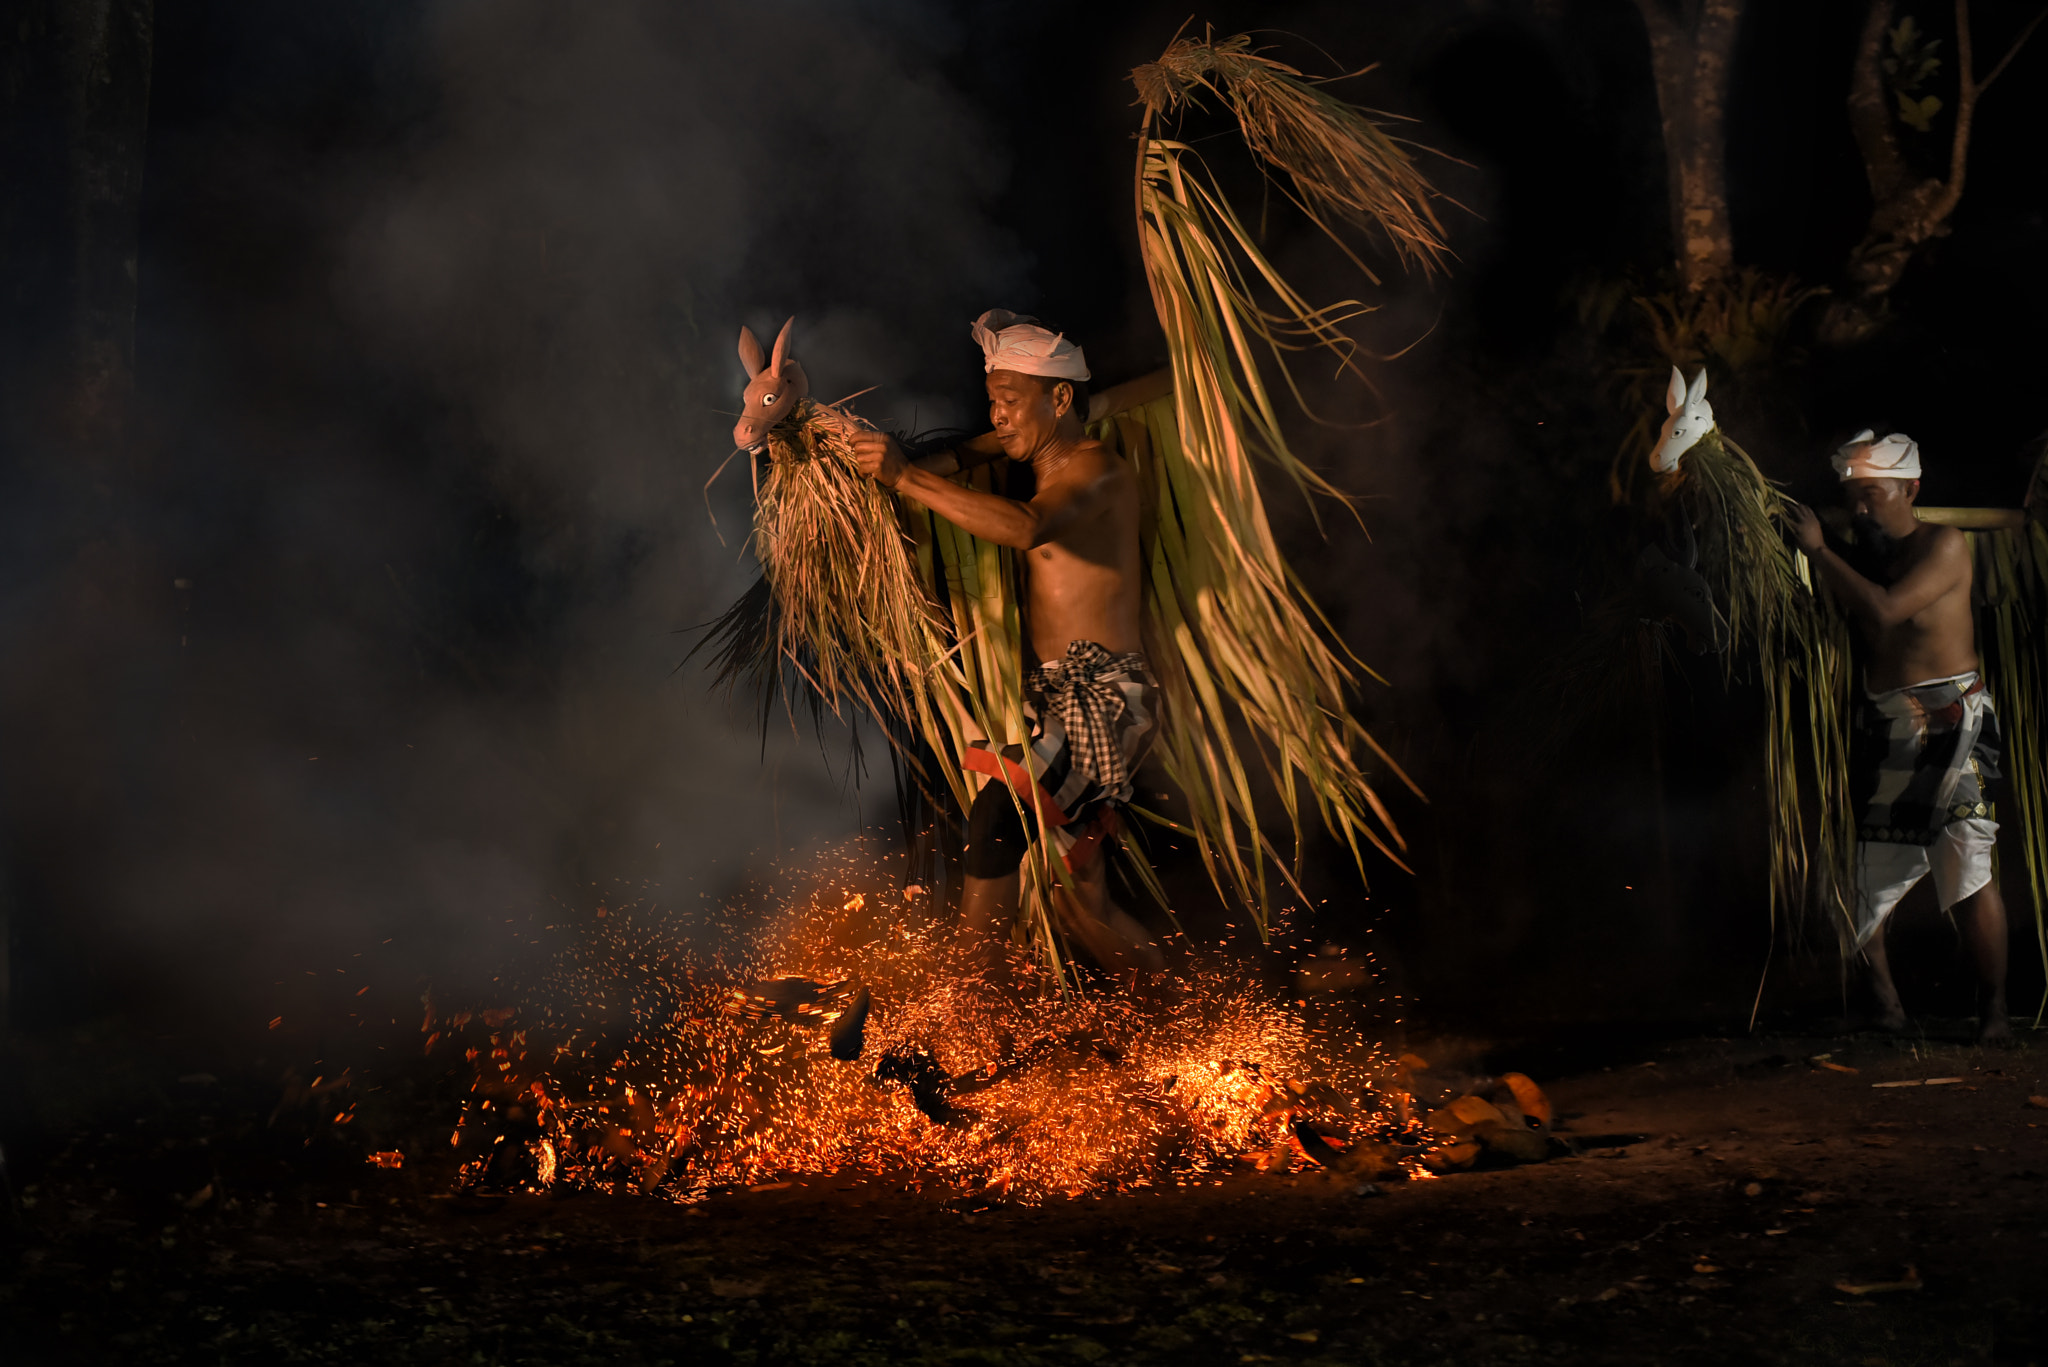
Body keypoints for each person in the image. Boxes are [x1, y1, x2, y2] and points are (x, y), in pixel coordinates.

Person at [851, 310, 1165, 977]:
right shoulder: (1051, 468)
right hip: (1056, 700)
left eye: (1011, 402)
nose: (998, 416)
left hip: (1105, 699)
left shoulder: (1096, 470)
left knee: (998, 809)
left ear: (1060, 398)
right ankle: (1191, 1032)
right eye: (991, 402)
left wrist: (907, 477)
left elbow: (1027, 528)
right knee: (1085, 904)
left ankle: (967, 1009)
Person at [1790, 430, 2009, 1041]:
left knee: (1968, 865)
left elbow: (1885, 610)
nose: (1861, 508)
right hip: (1886, 719)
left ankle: (1993, 1016)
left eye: (1874, 495)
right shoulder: (1869, 553)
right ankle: (1886, 1008)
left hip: (1952, 718)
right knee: (1864, 870)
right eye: (1853, 496)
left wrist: (1818, 551)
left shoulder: (1944, 545)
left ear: (1911, 489)